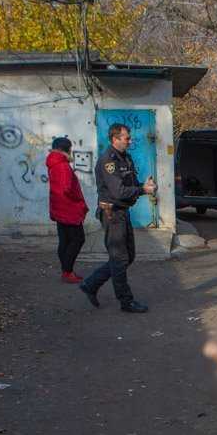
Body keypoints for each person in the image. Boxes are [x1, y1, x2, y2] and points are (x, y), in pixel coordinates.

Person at [78, 123, 156, 314]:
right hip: (112, 215)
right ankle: (126, 301)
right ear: (115, 139)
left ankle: (91, 283)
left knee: (128, 256)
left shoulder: (125, 158)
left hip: (123, 212)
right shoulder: (108, 161)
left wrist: (144, 187)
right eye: (126, 138)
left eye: (129, 138)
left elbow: (129, 185)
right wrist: (142, 190)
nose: (130, 141)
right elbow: (119, 191)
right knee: (120, 259)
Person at [46, 137, 88, 284]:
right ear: (66, 149)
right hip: (68, 208)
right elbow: (67, 188)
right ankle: (67, 271)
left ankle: (66, 270)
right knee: (78, 239)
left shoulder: (53, 163)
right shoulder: (63, 165)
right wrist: (78, 198)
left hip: (59, 207)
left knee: (64, 240)